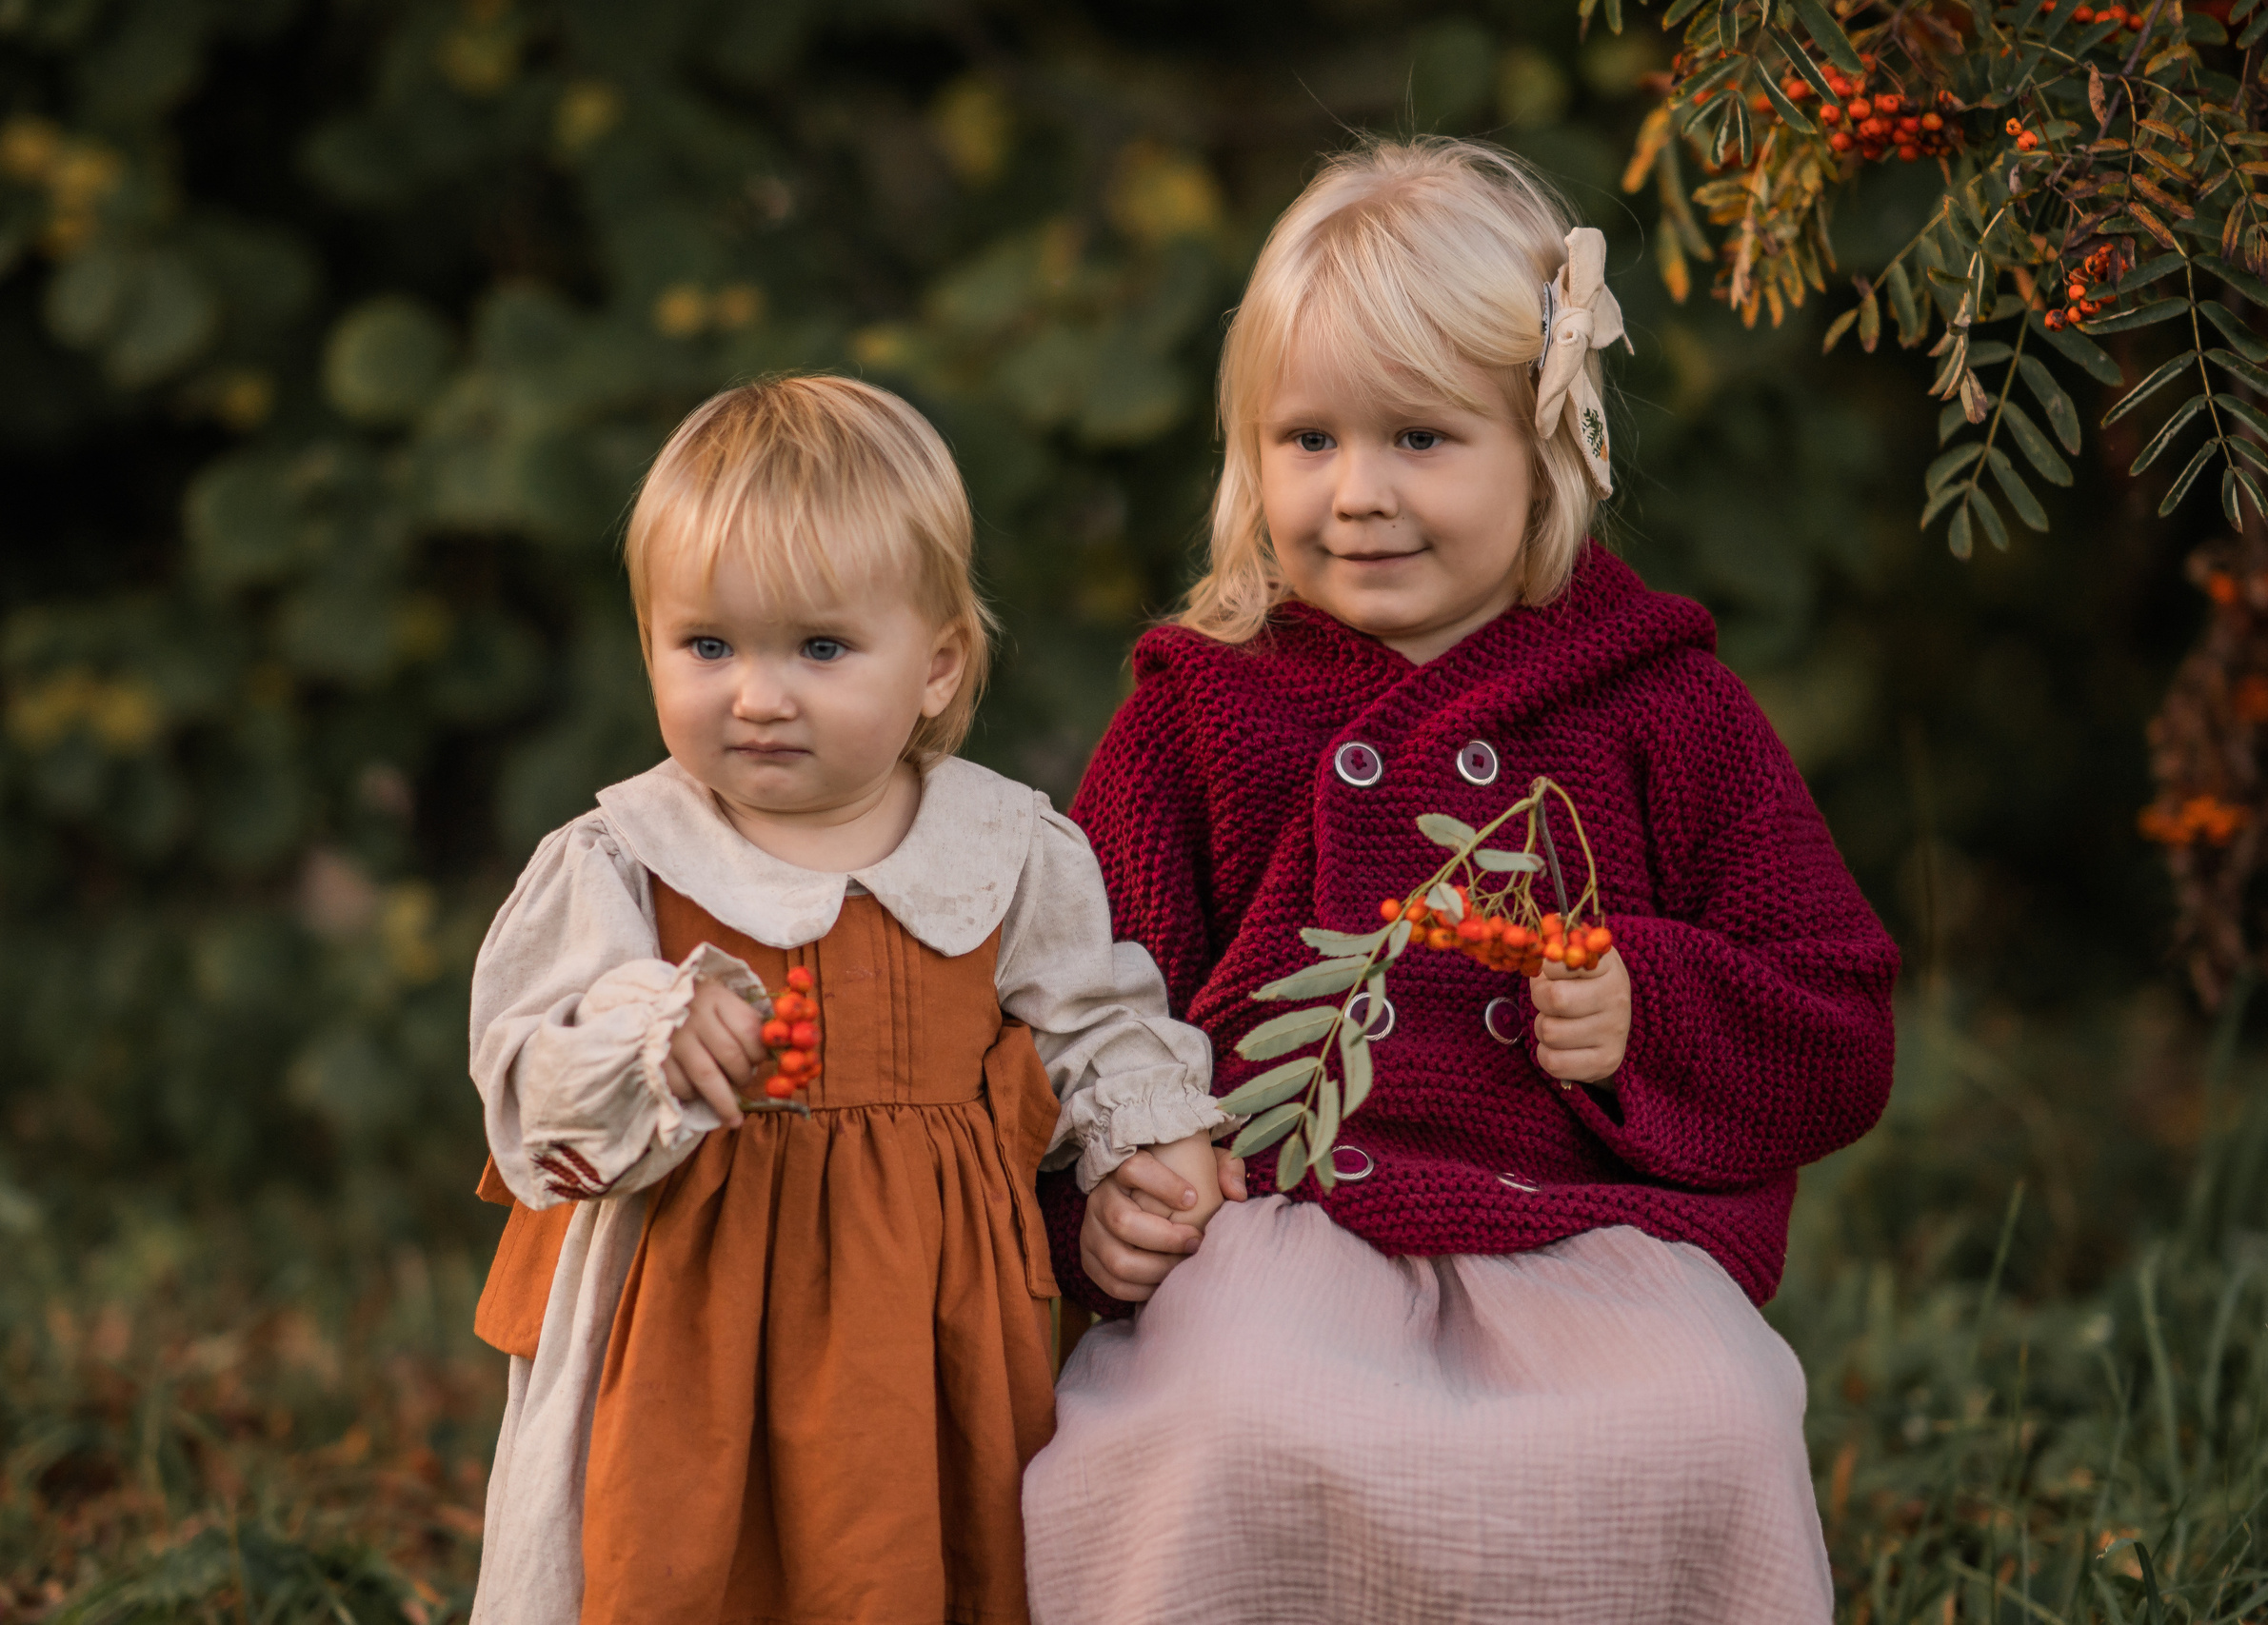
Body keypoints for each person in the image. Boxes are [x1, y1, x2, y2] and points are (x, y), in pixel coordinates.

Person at [1026, 138, 1898, 1623]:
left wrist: (1645, 1009)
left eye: (1421, 439)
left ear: (1546, 442)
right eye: (1308, 441)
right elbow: (1068, 996)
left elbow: (1836, 1024)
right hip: (1277, 1226)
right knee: (1226, 1420)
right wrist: (1101, 1189)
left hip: (1586, 1239)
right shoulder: (1204, 708)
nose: (1357, 494)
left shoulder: (1657, 704)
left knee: (1710, 1419)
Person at [465, 375, 1230, 1625]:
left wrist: (1150, 1142)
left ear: (934, 666)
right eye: (707, 645)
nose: (758, 694)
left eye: (820, 648)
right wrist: (649, 1036)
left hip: (917, 1317)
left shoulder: (1002, 849)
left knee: (900, 1555)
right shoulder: (625, 860)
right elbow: (528, 1082)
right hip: (679, 1320)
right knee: (665, 1558)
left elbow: (1095, 1017)